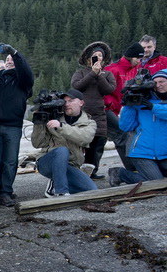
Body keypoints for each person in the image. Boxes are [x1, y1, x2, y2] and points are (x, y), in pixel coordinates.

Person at [0, 43, 34, 209]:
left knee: (10, 162)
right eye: (7, 58)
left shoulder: (23, 81)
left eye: (12, 59)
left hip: (13, 126)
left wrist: (16, 53)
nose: (10, 61)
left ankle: (6, 193)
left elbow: (28, 74)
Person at [31, 89, 98, 196]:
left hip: (70, 166)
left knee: (92, 189)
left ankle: (54, 185)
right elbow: (37, 144)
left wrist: (61, 127)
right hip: (47, 163)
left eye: (71, 101)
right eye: (64, 101)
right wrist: (39, 123)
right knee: (62, 151)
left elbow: (85, 138)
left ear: (81, 102)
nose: (66, 104)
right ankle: (61, 191)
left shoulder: (90, 123)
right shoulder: (52, 118)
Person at [108, 69, 167, 187]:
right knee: (157, 184)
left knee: (158, 181)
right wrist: (128, 105)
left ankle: (152, 174)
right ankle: (120, 173)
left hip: (164, 153)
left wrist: (152, 107)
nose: (158, 85)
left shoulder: (148, 104)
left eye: (162, 81)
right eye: (155, 82)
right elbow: (126, 126)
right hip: (142, 152)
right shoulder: (142, 101)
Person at [71, 41, 117, 180]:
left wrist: (99, 75)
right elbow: (77, 86)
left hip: (99, 113)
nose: (98, 58)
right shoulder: (80, 73)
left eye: (100, 56)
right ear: (88, 59)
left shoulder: (107, 74)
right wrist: (92, 73)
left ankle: (92, 171)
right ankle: (77, 170)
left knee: (98, 143)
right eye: (95, 55)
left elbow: (108, 89)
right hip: (82, 113)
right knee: (80, 142)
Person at [104, 42, 145, 171]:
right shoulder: (112, 69)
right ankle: (132, 169)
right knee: (121, 135)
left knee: (99, 140)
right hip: (105, 107)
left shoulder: (135, 69)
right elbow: (100, 88)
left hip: (121, 108)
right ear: (130, 57)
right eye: (138, 58)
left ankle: (91, 169)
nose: (140, 61)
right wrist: (110, 102)